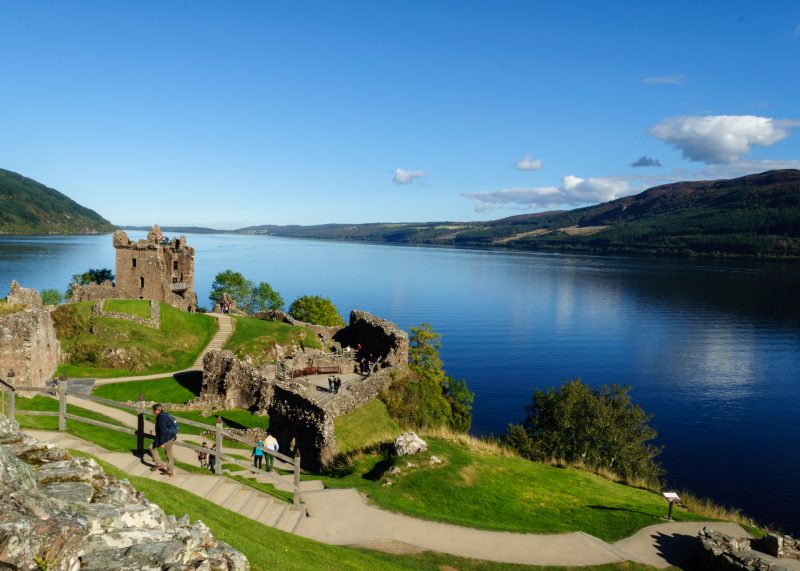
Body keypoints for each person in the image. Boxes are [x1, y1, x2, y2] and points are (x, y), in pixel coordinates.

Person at [144, 403, 178, 477]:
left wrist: (162, 442)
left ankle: (162, 465)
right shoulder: (165, 414)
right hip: (171, 436)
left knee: (153, 448)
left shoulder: (161, 418)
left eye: (153, 410)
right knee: (168, 453)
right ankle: (168, 469)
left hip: (166, 438)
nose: (152, 411)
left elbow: (163, 431)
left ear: (157, 410)